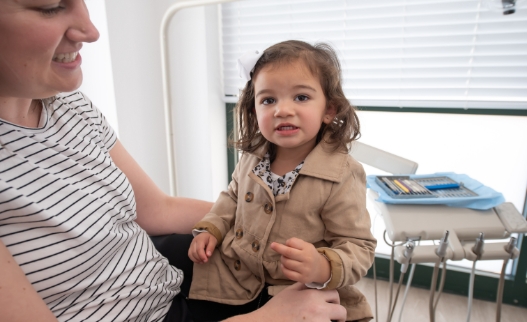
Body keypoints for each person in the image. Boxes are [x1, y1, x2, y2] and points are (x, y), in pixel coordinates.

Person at [0, 1, 347, 321]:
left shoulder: (70, 105)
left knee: (325, 286)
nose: (90, 31)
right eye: (50, 6)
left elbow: (158, 209)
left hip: (167, 282)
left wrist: (293, 225)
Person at [187, 40, 377, 322]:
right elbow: (231, 197)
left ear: (329, 110)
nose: (282, 110)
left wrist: (322, 266)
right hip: (236, 282)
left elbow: (358, 247)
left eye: (301, 97)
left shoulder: (342, 174)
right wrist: (211, 228)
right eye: (268, 100)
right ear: (253, 111)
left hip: (303, 295)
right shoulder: (251, 158)